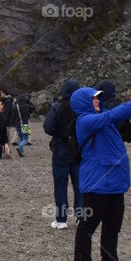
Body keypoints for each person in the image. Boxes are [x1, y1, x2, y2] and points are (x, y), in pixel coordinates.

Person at [70, 79, 131, 261]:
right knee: (87, 227)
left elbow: (121, 115)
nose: (97, 101)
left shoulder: (102, 117)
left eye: (97, 98)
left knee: (112, 226)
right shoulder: (85, 120)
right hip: (96, 184)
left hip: (114, 182)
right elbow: (114, 114)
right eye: (93, 98)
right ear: (83, 102)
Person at [43, 79, 81, 228]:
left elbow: (48, 128)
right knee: (79, 185)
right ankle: (81, 216)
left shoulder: (57, 107)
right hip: (78, 151)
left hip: (60, 151)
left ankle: (61, 219)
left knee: (60, 185)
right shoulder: (82, 108)